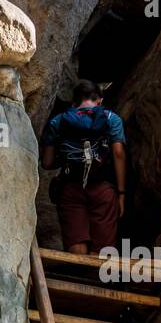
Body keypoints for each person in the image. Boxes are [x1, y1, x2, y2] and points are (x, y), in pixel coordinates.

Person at [40, 79, 127, 256]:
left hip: (70, 188)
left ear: (74, 102)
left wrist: (65, 159)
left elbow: (47, 163)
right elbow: (118, 154)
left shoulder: (58, 121)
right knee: (102, 248)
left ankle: (78, 275)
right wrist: (121, 192)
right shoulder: (112, 119)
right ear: (100, 101)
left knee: (76, 243)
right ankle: (96, 279)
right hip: (103, 188)